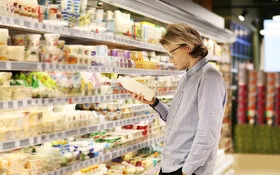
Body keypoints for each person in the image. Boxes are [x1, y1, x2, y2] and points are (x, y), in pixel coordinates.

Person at [131, 23, 227, 175]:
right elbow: (175, 120)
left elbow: (208, 132)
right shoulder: (186, 77)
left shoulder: (209, 77)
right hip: (171, 165)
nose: (170, 60)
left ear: (187, 47)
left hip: (187, 169)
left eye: (171, 54)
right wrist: (154, 103)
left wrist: (187, 171)